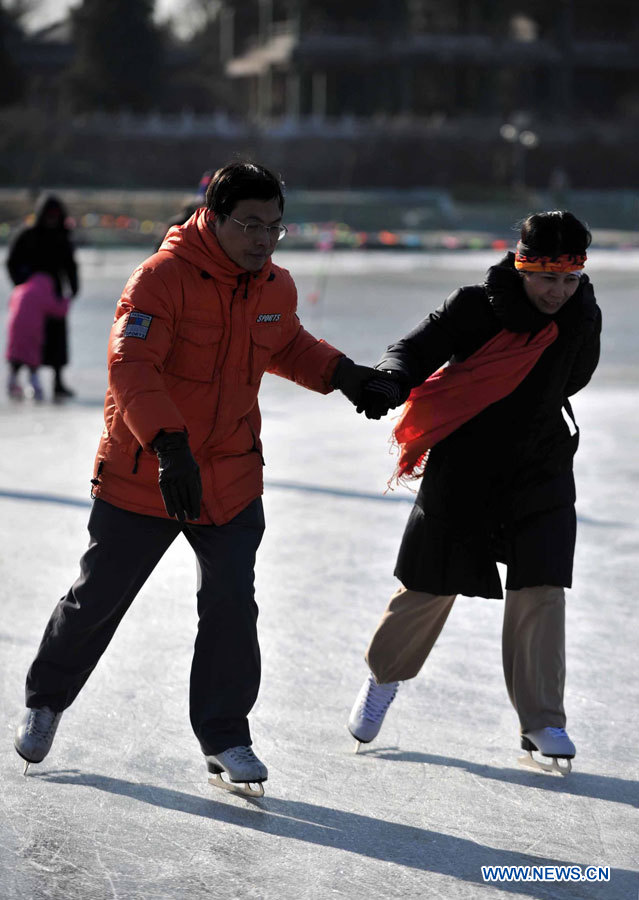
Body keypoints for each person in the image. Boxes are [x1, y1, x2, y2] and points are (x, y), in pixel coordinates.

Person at [13, 161, 395, 795]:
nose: (263, 239)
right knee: (98, 596)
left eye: (275, 226)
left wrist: (345, 375)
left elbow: (289, 344)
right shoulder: (159, 280)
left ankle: (225, 736)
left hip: (231, 473)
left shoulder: (275, 285)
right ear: (212, 218)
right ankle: (46, 699)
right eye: (249, 224)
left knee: (229, 606)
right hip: (147, 468)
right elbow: (131, 365)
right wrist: (169, 445)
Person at [347, 211, 601, 774]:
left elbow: (574, 377)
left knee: (543, 587)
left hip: (542, 468)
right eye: (545, 278)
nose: (558, 292)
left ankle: (542, 720)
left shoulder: (583, 314)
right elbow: (416, 348)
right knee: (430, 585)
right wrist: (392, 377)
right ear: (521, 264)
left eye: (569, 280)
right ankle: (383, 679)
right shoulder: (475, 305)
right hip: (466, 468)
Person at [7, 194, 78, 399]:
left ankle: (57, 381)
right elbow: (11, 262)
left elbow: (70, 266)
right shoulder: (27, 235)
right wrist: (22, 284)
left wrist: (73, 288)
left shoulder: (62, 237)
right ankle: (16, 375)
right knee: (26, 339)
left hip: (53, 295)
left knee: (56, 341)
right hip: (30, 297)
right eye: (49, 215)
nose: (52, 219)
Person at [5, 273, 71, 400]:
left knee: (16, 357)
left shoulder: (20, 289)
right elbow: (58, 310)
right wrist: (66, 301)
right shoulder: (43, 293)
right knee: (32, 360)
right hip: (33, 331)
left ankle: (11, 383)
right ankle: (34, 385)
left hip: (15, 329)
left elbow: (11, 304)